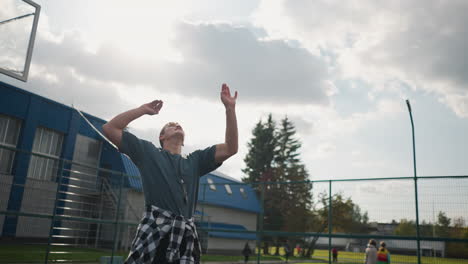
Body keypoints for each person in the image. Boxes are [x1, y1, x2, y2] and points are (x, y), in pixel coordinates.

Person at [103, 83, 238, 264]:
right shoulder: (148, 153)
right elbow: (110, 128)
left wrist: (230, 109)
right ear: (162, 137)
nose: (176, 124)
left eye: (178, 124)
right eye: (170, 125)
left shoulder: (196, 160)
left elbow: (231, 148)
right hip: (156, 235)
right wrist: (142, 110)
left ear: (184, 140)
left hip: (185, 239)